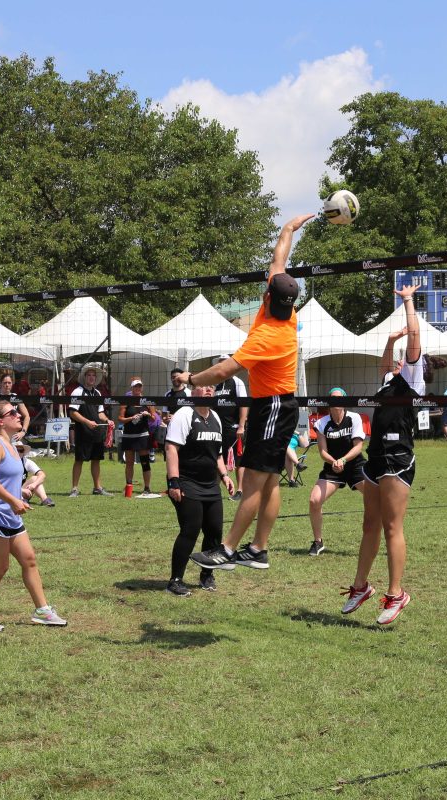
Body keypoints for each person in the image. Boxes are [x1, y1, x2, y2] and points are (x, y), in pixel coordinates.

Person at [187, 213, 314, 572]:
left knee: (255, 482)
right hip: (277, 405)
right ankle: (258, 549)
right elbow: (279, 261)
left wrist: (191, 379)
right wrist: (288, 229)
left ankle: (227, 550)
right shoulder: (287, 313)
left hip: (273, 406)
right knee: (270, 481)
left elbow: (223, 370)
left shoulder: (267, 336)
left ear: (266, 296)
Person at [340, 283, 424, 625]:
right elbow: (385, 365)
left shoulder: (413, 379)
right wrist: (390, 340)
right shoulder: (389, 381)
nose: (399, 361)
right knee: (370, 524)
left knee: (392, 526)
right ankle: (361, 587)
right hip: (375, 457)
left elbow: (415, 337)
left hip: (397, 457)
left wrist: (408, 301)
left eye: (404, 358)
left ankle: (396, 593)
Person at [0, 401, 67, 632]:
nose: (18, 415)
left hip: (10, 515)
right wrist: (13, 500)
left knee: (29, 560)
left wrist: (20, 493)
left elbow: (5, 480)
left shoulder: (13, 446)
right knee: (0, 567)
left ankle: (42, 611)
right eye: (12, 412)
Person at [165, 384, 235, 596]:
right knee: (191, 529)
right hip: (187, 482)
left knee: (214, 531)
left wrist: (224, 476)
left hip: (210, 484)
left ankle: (207, 575)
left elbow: (218, 454)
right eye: (203, 386)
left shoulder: (215, 417)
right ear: (192, 391)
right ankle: (175, 581)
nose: (208, 390)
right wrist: (174, 482)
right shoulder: (184, 414)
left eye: (211, 387)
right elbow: (171, 448)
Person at [307, 388, 367, 556]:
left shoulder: (354, 418)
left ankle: (385, 536)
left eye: (339, 398)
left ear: (345, 401)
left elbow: (358, 446)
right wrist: (334, 461)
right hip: (333, 467)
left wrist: (343, 460)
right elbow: (322, 451)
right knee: (314, 500)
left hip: (354, 465)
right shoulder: (322, 423)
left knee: (376, 497)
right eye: (333, 398)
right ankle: (318, 542)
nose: (336, 401)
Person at [68, 366, 112, 497]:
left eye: (93, 375)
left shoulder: (97, 393)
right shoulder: (77, 392)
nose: (91, 377)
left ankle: (97, 488)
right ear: (84, 377)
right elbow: (72, 412)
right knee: (79, 460)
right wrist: (87, 422)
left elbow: (100, 413)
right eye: (89, 375)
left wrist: (108, 420)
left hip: (96, 433)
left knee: (96, 460)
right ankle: (74, 489)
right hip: (83, 432)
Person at [212, 356, 248, 500]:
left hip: (233, 428)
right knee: (216, 457)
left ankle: (240, 490)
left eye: (224, 363)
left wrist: (241, 426)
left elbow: (244, 404)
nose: (222, 365)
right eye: (220, 363)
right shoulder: (216, 384)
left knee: (238, 461)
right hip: (217, 428)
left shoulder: (237, 382)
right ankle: (214, 489)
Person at [119, 378, 159, 498]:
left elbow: (154, 418)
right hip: (129, 435)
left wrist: (148, 414)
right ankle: (129, 486)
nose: (137, 388)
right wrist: (131, 418)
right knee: (129, 463)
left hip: (143, 436)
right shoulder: (126, 401)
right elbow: (120, 418)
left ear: (142, 388)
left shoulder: (147, 401)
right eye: (135, 386)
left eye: (139, 386)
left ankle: (147, 488)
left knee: (145, 462)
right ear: (131, 388)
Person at [17, 442, 55, 507]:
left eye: (21, 450)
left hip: (23, 491)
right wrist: (21, 490)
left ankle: (45, 499)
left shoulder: (26, 462)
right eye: (16, 450)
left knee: (35, 478)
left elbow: (42, 474)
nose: (18, 453)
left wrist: (33, 485)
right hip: (9, 492)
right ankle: (21, 499)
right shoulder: (5, 463)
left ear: (23, 453)